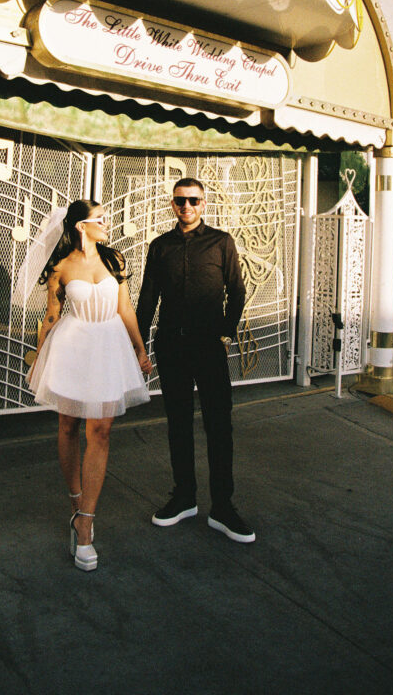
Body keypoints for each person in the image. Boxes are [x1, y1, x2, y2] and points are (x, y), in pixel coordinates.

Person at [18, 199, 152, 572]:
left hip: (109, 346)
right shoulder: (60, 267)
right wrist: (39, 358)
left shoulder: (113, 261)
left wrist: (141, 351)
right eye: (100, 219)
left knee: (102, 430)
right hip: (72, 347)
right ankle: (75, 501)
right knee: (68, 425)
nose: (106, 224)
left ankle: (86, 524)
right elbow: (50, 316)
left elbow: (125, 308)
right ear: (81, 226)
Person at [136, 177, 255, 543]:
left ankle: (223, 506)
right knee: (178, 423)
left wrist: (224, 332)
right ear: (172, 204)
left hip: (208, 346)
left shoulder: (221, 242)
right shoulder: (159, 247)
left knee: (219, 424)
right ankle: (184, 497)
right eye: (180, 200)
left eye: (193, 200)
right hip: (171, 346)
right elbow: (147, 299)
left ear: (204, 204)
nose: (186, 206)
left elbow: (236, 291)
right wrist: (137, 346)